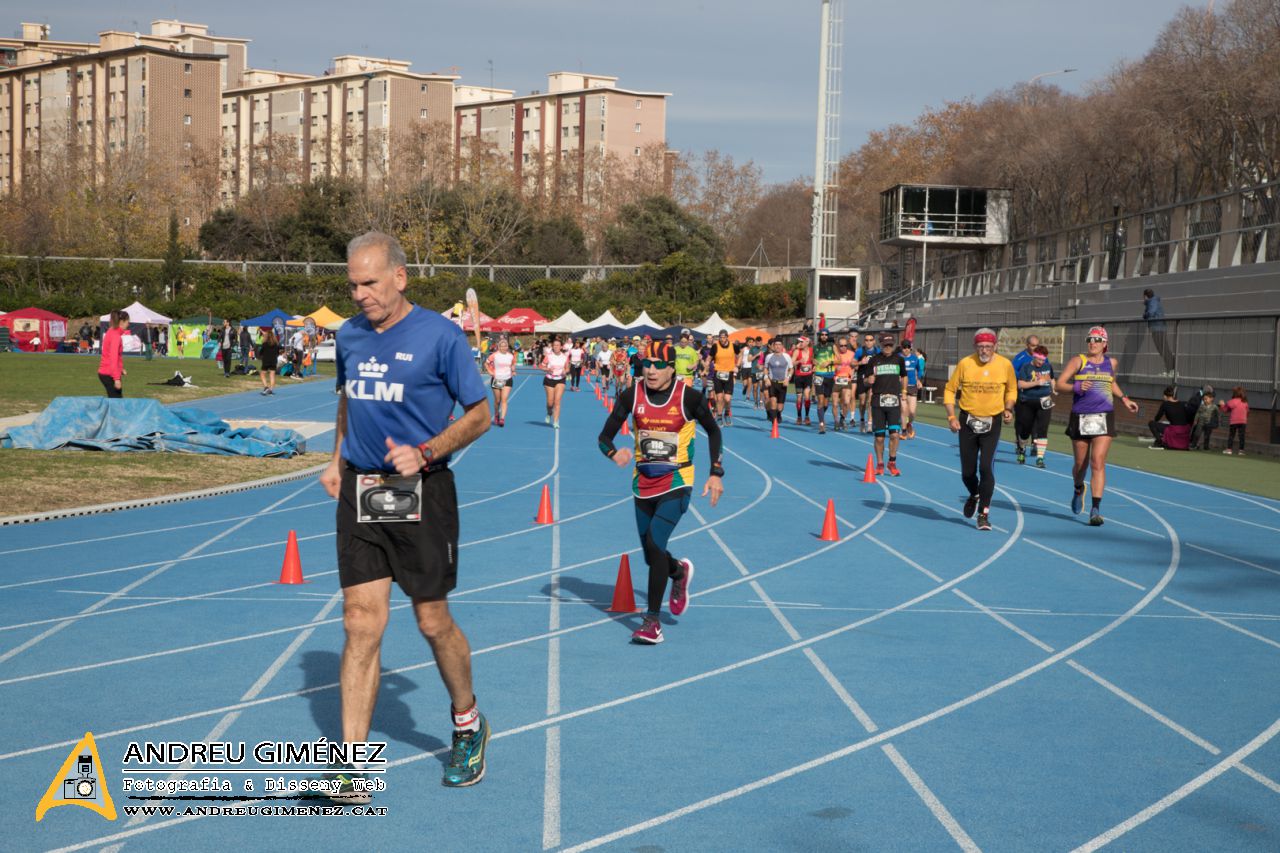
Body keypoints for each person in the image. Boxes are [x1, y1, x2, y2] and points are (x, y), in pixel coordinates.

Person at [320, 231, 491, 795]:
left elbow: (480, 415)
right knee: (359, 621)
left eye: (369, 283)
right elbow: (349, 399)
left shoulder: (441, 338)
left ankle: (467, 722)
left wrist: (425, 452)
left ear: (400, 276)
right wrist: (336, 459)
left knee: (431, 621)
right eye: (352, 284)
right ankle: (349, 764)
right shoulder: (348, 335)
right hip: (361, 490)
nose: (359, 294)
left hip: (423, 491)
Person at [598, 341, 724, 644]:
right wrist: (613, 453)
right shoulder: (632, 394)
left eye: (658, 365)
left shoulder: (690, 397)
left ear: (672, 368)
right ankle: (678, 571)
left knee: (655, 542)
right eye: (647, 365)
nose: (651, 370)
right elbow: (604, 436)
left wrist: (716, 472)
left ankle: (652, 622)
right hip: (642, 483)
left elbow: (715, 430)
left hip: (677, 480)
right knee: (650, 554)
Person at [1055, 326, 1140, 526]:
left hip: (1104, 416)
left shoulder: (1112, 362)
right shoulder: (1078, 361)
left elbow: (1111, 383)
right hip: (1081, 417)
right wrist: (1075, 387)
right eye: (1089, 339)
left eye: (1096, 340)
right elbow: (1059, 384)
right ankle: (1078, 488)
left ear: (1105, 344)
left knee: (1097, 462)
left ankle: (1095, 510)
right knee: (1081, 465)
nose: (1092, 343)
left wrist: (1125, 399)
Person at [944, 328, 1017, 532]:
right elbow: (950, 389)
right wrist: (951, 416)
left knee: (986, 467)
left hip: (992, 421)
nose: (984, 350)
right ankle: (975, 493)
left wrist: (1008, 408)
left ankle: (983, 514)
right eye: (980, 346)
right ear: (975, 346)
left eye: (988, 346)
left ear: (995, 346)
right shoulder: (966, 363)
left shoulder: (1005, 365)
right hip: (967, 421)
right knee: (967, 472)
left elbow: (1012, 388)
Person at [864, 332, 907, 476]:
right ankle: (880, 463)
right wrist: (868, 380)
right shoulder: (874, 360)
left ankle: (892, 462)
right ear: (880, 345)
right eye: (885, 345)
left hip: (894, 401)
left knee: (895, 435)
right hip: (878, 402)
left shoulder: (898, 360)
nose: (888, 347)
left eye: (890, 345)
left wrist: (905, 391)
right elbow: (865, 380)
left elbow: (904, 376)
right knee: (879, 437)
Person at [1014, 345, 1056, 467]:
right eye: (1039, 360)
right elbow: (1020, 384)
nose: (1041, 362)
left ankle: (1040, 458)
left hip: (1044, 401)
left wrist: (1054, 388)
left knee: (1043, 430)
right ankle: (1022, 450)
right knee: (1025, 430)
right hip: (1027, 401)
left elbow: (1052, 379)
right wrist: (1036, 382)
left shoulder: (1047, 366)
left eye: (1043, 360)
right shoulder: (1026, 367)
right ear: (1034, 356)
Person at [709, 329, 744, 426]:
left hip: (729, 374)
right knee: (719, 398)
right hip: (718, 374)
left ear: (727, 337)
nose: (722, 339)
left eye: (724, 337)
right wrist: (707, 366)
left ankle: (727, 413)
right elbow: (709, 357)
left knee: (727, 399)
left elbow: (740, 354)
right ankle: (719, 416)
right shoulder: (715, 346)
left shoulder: (733, 346)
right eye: (720, 337)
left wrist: (737, 365)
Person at [485, 336, 518, 427]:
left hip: (507, 379)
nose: (504, 347)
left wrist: (513, 370)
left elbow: (513, 364)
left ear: (507, 347)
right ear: (499, 347)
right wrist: (490, 371)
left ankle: (502, 419)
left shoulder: (511, 356)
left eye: (505, 346)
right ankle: (496, 414)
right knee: (497, 400)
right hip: (497, 379)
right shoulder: (494, 355)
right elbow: (486, 363)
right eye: (502, 346)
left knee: (504, 399)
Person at [97, 309, 129, 398]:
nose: (128, 324)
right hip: (108, 373)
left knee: (115, 400)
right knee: (117, 402)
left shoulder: (111, 331)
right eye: (127, 322)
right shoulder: (116, 336)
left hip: (107, 372)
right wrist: (117, 379)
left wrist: (121, 369)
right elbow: (113, 358)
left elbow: (113, 355)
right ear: (122, 322)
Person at [853, 332, 881, 433]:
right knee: (862, 402)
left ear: (874, 341)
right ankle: (862, 420)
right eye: (866, 340)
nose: (868, 342)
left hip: (873, 378)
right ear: (864, 341)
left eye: (870, 340)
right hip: (862, 378)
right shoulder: (860, 351)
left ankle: (870, 423)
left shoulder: (878, 351)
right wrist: (861, 362)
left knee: (870, 401)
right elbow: (852, 363)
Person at [1143, 288, 1174, 375]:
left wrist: (1145, 315)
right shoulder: (1153, 302)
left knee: (1163, 349)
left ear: (1145, 296)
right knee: (1163, 349)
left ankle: (1172, 370)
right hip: (1158, 328)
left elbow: (1151, 313)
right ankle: (1170, 369)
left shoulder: (1152, 302)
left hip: (1158, 329)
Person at [540, 337, 570, 428]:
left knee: (557, 401)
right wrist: (548, 369)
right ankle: (549, 413)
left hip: (560, 379)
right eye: (554, 345)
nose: (556, 347)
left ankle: (556, 421)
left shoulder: (565, 357)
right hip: (549, 379)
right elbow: (541, 366)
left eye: (558, 345)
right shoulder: (549, 356)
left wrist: (566, 371)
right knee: (550, 402)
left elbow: (567, 368)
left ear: (561, 347)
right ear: (552, 347)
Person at [763, 337, 793, 427]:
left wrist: (787, 378)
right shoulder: (769, 357)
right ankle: (774, 423)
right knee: (772, 402)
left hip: (782, 383)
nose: (777, 346)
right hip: (772, 383)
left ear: (782, 346)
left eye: (779, 345)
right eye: (776, 345)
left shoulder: (786, 356)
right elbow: (765, 368)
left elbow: (791, 369)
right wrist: (766, 378)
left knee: (780, 407)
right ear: (773, 346)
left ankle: (778, 414)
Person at [812, 329, 836, 434]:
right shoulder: (815, 347)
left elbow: (839, 360)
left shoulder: (832, 347)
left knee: (826, 402)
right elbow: (812, 359)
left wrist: (829, 362)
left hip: (829, 376)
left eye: (826, 335)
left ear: (828, 336)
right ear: (820, 336)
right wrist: (814, 361)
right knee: (820, 400)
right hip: (818, 375)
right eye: (822, 335)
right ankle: (821, 424)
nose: (824, 336)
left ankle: (820, 414)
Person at [900, 340, 924, 438]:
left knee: (912, 412)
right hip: (901, 387)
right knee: (904, 410)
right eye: (904, 347)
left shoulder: (915, 359)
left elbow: (919, 370)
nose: (906, 349)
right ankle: (904, 432)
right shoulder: (898, 357)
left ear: (910, 348)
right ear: (901, 348)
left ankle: (909, 424)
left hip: (912, 386)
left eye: (907, 347)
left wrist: (918, 380)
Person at [790, 336, 815, 425]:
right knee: (799, 397)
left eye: (802, 342)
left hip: (808, 377)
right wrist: (799, 361)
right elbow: (791, 363)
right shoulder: (797, 351)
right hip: (799, 377)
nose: (800, 343)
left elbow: (815, 361)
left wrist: (814, 367)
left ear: (807, 342)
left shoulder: (812, 351)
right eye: (799, 341)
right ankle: (799, 416)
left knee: (807, 396)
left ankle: (807, 416)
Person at [833, 336, 856, 430]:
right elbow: (829, 366)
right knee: (835, 404)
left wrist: (853, 372)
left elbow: (855, 365)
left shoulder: (852, 354)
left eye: (845, 345)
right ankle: (836, 422)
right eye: (841, 345)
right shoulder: (835, 354)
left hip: (847, 380)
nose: (843, 347)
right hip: (836, 380)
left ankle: (842, 419)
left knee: (846, 402)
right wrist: (835, 368)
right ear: (838, 346)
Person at [1221, 387, 1249, 455]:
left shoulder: (1232, 401)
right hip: (1243, 421)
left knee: (1231, 435)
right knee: (1242, 436)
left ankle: (1229, 449)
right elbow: (1247, 412)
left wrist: (1222, 404)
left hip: (1233, 421)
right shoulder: (1245, 402)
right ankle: (1241, 451)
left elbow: (1225, 410)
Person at [258, 329, 281, 396]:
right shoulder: (276, 344)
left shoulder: (264, 344)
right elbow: (278, 352)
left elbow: (260, 352)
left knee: (262, 374)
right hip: (273, 360)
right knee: (272, 375)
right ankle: (271, 389)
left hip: (266, 361)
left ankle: (266, 387)